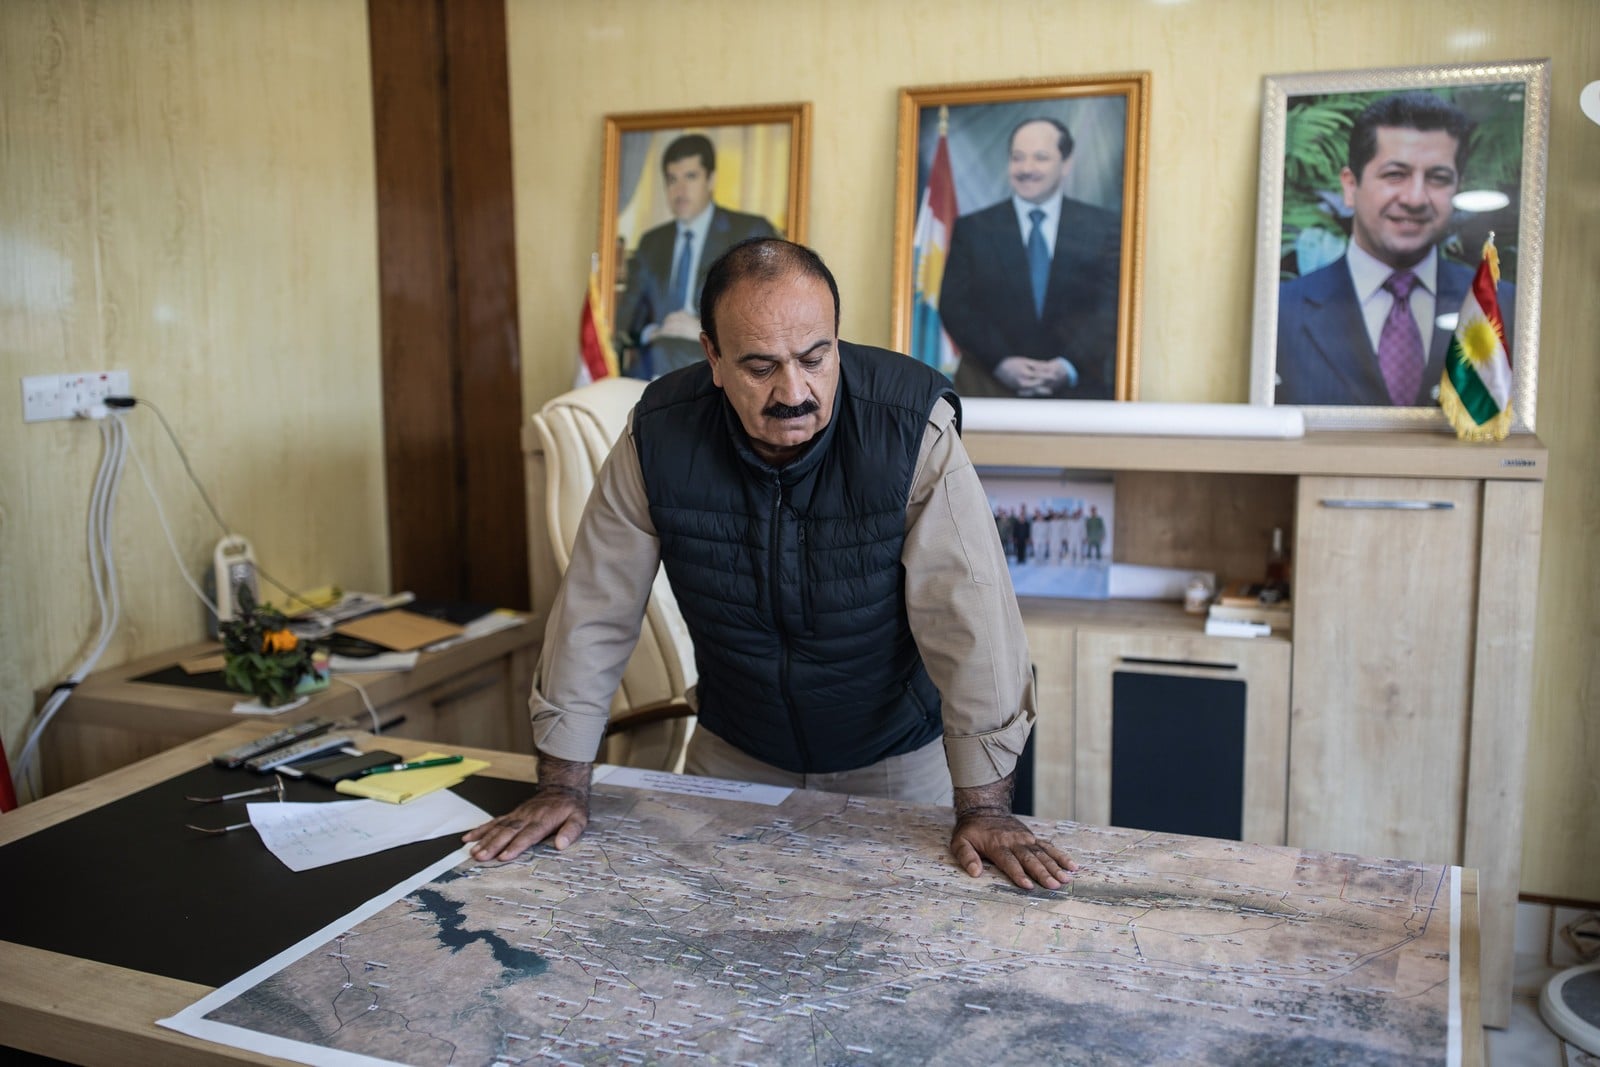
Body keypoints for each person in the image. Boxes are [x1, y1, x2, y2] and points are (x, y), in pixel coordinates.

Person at [468, 238, 1075, 893]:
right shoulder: (659, 437)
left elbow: (971, 621)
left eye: (816, 358)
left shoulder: (910, 430)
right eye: (760, 366)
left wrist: (983, 807)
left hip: (898, 761)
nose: (795, 391)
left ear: (837, 341)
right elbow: (594, 609)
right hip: (733, 757)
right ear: (713, 358)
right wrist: (563, 786)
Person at [1276, 92, 1516, 407]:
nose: (1415, 198)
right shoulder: (1281, 314)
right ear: (1351, 186)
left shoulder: (1506, 309)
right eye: (1395, 175)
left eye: (1438, 178)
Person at [939, 116, 1123, 399]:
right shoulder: (974, 228)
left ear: (1067, 163)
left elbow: (1111, 306)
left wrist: (1066, 366)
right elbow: (956, 307)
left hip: (1080, 395)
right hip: (988, 389)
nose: (1026, 168)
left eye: (1040, 158)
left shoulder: (1105, 228)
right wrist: (1001, 362)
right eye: (1017, 157)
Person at [613, 133, 779, 379]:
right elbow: (627, 319)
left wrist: (703, 330)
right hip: (653, 368)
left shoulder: (749, 231)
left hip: (718, 369)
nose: (680, 190)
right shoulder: (652, 242)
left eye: (690, 177)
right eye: (672, 179)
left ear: (711, 179)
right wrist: (654, 332)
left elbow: (769, 314)